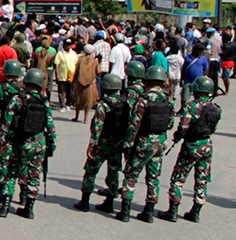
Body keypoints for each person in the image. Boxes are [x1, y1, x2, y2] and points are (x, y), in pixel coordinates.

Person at [0, 69, 56, 219]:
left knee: (11, 173)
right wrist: (52, 145)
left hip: (19, 142)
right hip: (38, 143)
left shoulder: (18, 99)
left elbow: (6, 123)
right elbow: (50, 125)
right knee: (34, 175)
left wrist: (3, 143)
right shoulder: (44, 101)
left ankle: (5, 206)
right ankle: (29, 208)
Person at [119, 66, 174, 223]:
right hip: (160, 142)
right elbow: (170, 123)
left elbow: (134, 124)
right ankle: (149, 212)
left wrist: (128, 145)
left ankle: (125, 211)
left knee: (131, 175)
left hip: (144, 141)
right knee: (153, 177)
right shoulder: (167, 100)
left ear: (148, 81)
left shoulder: (144, 99)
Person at [162, 76, 220, 223]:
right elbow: (213, 127)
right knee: (202, 179)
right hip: (207, 145)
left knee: (178, 177)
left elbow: (183, 126)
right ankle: (196, 212)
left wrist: (176, 137)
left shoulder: (191, 106)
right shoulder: (215, 108)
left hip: (191, 145)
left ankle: (173, 211)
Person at [77, 75, 129, 213]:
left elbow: (97, 127)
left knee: (90, 170)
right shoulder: (125, 103)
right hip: (117, 143)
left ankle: (85, 201)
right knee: (113, 172)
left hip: (103, 143)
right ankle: (110, 202)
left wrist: (92, 145)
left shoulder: (103, 104)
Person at [0, 60, 24, 203]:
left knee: (5, 160)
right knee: (22, 161)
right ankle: (23, 196)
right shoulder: (23, 88)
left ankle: (3, 192)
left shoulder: (0, 89)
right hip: (23, 130)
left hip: (6, 126)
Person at [73, 45, 99, 122]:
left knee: (78, 100)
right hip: (90, 84)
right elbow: (99, 72)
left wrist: (74, 80)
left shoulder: (80, 60)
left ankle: (76, 117)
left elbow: (76, 71)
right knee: (88, 101)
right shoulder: (95, 61)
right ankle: (85, 119)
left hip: (80, 83)